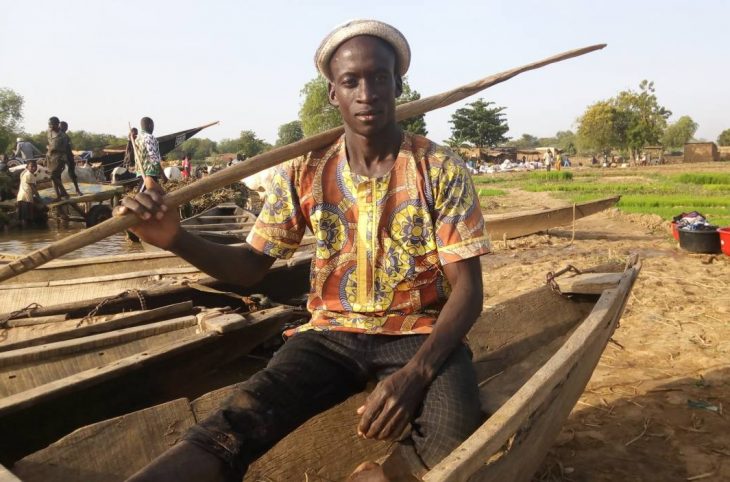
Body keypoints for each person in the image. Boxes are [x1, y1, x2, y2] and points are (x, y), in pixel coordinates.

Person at [120, 19, 489, 482]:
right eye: (351, 81)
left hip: (418, 333)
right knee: (235, 423)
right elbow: (250, 266)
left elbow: (469, 290)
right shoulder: (304, 171)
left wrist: (416, 374)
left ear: (397, 83)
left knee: (454, 431)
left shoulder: (438, 167)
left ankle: (388, 471)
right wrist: (175, 238)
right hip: (329, 337)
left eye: (379, 77)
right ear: (333, 93)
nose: (367, 92)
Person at [132, 117, 167, 193]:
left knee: (153, 195)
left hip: (141, 171)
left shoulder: (137, 138)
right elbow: (154, 158)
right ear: (150, 125)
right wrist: (163, 174)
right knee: (140, 195)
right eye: (153, 126)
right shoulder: (149, 137)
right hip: (148, 173)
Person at [46, 116, 70, 199]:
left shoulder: (63, 136)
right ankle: (58, 195)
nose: (50, 127)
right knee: (54, 177)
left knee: (53, 176)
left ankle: (65, 193)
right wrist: (49, 149)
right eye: (49, 125)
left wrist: (51, 148)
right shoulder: (49, 132)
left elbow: (63, 148)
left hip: (60, 158)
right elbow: (50, 142)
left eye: (52, 125)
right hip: (50, 157)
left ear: (57, 124)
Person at [16, 159, 43, 227]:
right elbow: (33, 188)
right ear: (27, 167)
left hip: (22, 197)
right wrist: (39, 198)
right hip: (26, 198)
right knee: (27, 216)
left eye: (35, 166)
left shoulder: (26, 174)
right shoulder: (29, 175)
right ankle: (27, 232)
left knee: (23, 216)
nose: (34, 168)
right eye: (31, 166)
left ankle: (25, 232)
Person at [59, 121, 82, 195]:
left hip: (67, 155)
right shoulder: (60, 135)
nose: (66, 128)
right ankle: (76, 190)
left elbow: (68, 147)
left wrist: (71, 155)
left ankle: (77, 189)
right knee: (61, 173)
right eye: (64, 126)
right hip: (63, 156)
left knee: (72, 173)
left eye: (66, 126)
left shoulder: (65, 135)